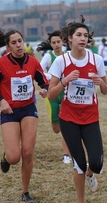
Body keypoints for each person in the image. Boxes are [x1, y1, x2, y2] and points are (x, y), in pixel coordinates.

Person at [47, 15, 107, 203]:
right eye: (79, 35)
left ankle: (92, 174)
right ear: (69, 39)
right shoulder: (62, 61)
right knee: (79, 163)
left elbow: (106, 90)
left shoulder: (96, 59)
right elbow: (50, 94)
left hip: (90, 117)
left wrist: (101, 82)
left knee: (97, 163)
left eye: (85, 35)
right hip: (69, 118)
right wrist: (64, 81)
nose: (83, 38)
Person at [0, 27, 49, 203]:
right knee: (14, 157)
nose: (18, 45)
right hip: (10, 112)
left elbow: (43, 82)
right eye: (13, 43)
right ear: (8, 46)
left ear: (24, 41)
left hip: (29, 109)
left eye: (20, 41)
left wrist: (45, 90)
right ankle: (6, 157)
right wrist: (1, 100)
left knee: (28, 152)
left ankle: (25, 191)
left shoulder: (33, 62)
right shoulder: (0, 64)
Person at [37, 30, 71, 164]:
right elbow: (39, 72)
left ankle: (66, 154)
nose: (57, 45)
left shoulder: (68, 55)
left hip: (67, 92)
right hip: (53, 93)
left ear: (63, 42)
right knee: (56, 129)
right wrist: (49, 82)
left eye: (58, 42)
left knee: (66, 124)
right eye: (54, 43)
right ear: (50, 44)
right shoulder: (48, 57)